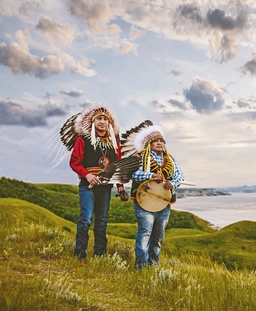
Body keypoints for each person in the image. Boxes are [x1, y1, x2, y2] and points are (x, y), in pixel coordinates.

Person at [60, 105, 127, 261]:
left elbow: (118, 166)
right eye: (99, 119)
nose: (102, 122)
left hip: (105, 188)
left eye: (105, 119)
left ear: (109, 123)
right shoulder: (83, 139)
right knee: (85, 219)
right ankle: (80, 254)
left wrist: (121, 186)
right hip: (87, 187)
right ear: (93, 121)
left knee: (102, 221)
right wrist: (87, 175)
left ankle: (99, 255)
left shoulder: (114, 142)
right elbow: (74, 162)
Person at [128, 123, 184, 270]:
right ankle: (141, 265)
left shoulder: (170, 160)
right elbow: (132, 173)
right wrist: (151, 175)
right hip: (144, 202)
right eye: (155, 141)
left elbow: (179, 176)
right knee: (145, 232)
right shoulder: (140, 157)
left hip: (164, 203)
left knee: (158, 235)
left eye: (161, 141)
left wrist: (172, 183)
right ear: (149, 143)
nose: (159, 143)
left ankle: (153, 264)